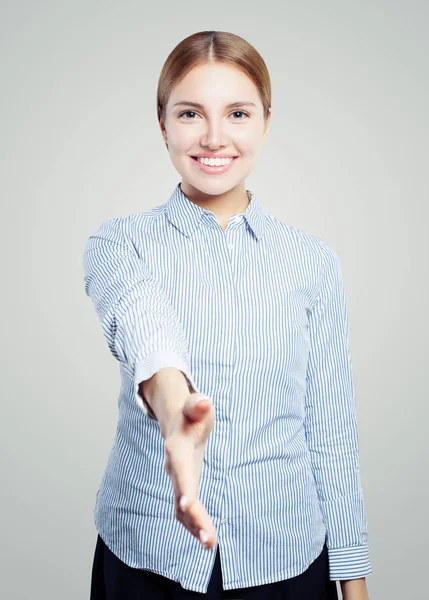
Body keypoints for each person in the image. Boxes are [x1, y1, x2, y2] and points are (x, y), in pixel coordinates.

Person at [84, 30, 372, 599]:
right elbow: (144, 323)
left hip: (286, 559)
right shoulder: (120, 244)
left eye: (237, 113)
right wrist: (175, 411)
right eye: (190, 113)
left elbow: (331, 430)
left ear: (265, 121)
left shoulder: (311, 263)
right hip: (149, 557)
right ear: (163, 123)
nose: (214, 137)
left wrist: (354, 579)